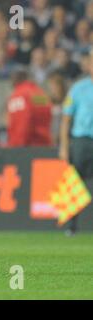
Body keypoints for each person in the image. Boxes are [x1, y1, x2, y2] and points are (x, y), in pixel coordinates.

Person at [59, 49, 93, 236]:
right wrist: (64, 147)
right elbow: (66, 119)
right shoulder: (78, 88)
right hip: (81, 141)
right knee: (74, 185)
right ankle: (71, 226)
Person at [6, 67, 53, 147]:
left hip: (26, 146)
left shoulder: (19, 95)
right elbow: (47, 114)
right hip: (44, 143)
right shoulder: (40, 93)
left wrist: (17, 145)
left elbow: (23, 122)